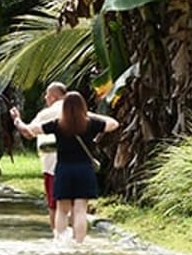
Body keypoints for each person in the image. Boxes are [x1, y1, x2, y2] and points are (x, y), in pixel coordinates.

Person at [20, 91, 120, 243]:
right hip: (84, 170)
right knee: (80, 210)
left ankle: (60, 241)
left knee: (62, 210)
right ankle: (79, 243)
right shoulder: (90, 123)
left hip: (64, 170)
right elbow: (114, 123)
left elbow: (31, 130)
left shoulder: (57, 124)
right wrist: (90, 114)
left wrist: (18, 121)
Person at [12, 82, 66, 232]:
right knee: (77, 206)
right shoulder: (79, 111)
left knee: (54, 206)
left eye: (47, 95)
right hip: (77, 164)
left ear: (54, 97)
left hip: (52, 166)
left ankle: (58, 238)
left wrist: (17, 119)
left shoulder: (46, 114)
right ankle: (78, 239)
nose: (45, 98)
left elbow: (28, 132)